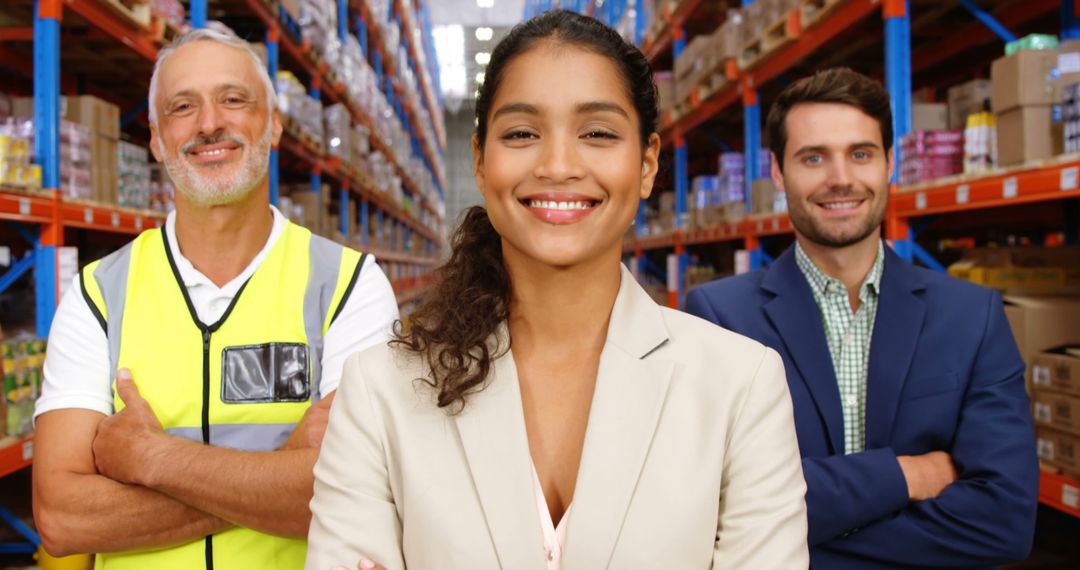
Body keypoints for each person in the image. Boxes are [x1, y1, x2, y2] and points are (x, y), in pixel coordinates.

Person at [305, 10, 808, 570]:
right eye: (522, 133)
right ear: (480, 160)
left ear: (646, 164)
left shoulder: (741, 387)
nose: (558, 165)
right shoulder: (379, 392)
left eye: (597, 133)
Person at [32, 26, 399, 569]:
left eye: (234, 99)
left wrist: (151, 459)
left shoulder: (349, 286)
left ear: (273, 125)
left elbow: (359, 493)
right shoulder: (97, 297)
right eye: (183, 107)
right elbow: (63, 519)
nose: (209, 124)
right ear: (156, 139)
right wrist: (283, 475)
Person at [686, 67, 1038, 568]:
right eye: (813, 157)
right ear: (778, 173)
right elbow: (713, 509)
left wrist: (803, 534)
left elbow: (1005, 522)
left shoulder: (971, 315)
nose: (841, 179)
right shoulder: (720, 317)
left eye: (860, 154)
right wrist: (904, 477)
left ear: (890, 163)